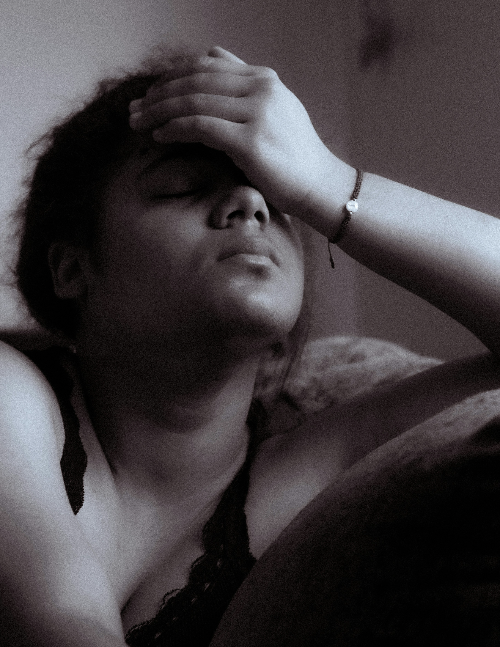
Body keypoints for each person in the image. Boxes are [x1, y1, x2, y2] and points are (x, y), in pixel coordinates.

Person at [1, 45, 499, 647]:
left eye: (277, 196)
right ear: (72, 269)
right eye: (181, 187)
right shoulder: (12, 393)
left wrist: (328, 184)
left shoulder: (307, 470)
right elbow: (60, 622)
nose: (254, 203)